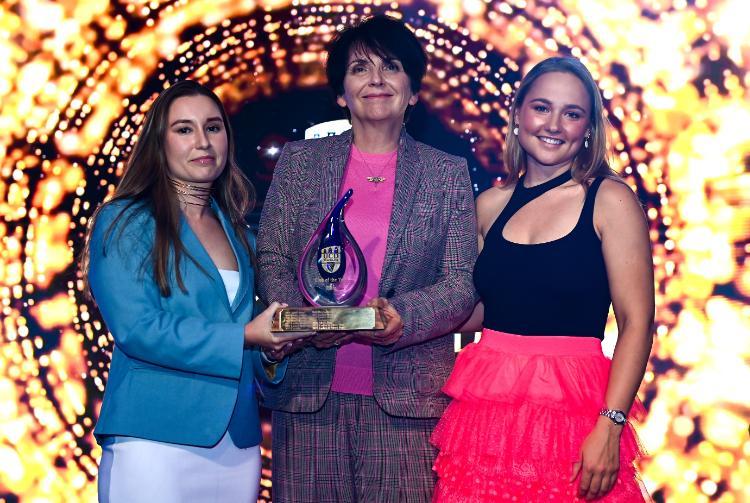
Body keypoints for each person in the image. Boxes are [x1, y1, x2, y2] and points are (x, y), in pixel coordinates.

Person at [256, 15, 478, 502]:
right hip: (309, 397)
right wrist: (306, 319)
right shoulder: (300, 162)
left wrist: (405, 318)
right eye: (360, 68)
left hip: (407, 403)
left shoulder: (447, 174)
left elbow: (461, 283)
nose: (376, 80)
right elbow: (270, 254)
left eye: (391, 66)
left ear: (414, 90)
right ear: (341, 92)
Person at [431, 56, 654, 502]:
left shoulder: (609, 199)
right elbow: (479, 311)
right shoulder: (489, 205)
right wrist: (398, 306)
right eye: (541, 108)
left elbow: (637, 323)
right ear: (518, 115)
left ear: (588, 128)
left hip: (573, 414)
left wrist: (610, 426)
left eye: (572, 113)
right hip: (486, 416)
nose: (554, 124)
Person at [83, 80, 304, 502]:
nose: (203, 141)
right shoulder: (124, 220)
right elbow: (138, 329)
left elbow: (246, 338)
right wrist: (245, 337)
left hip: (236, 444)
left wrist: (270, 354)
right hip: (152, 437)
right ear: (158, 143)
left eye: (213, 127)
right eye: (184, 129)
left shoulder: (241, 234)